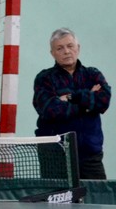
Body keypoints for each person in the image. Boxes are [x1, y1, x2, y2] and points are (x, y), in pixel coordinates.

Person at [33, 28, 111, 180]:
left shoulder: (93, 74)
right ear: (52, 53)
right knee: (57, 196)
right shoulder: (44, 78)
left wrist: (69, 98)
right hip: (54, 155)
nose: (66, 51)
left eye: (70, 46)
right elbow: (49, 110)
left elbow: (103, 102)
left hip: (90, 154)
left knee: (96, 194)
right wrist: (87, 103)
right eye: (59, 48)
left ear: (78, 48)